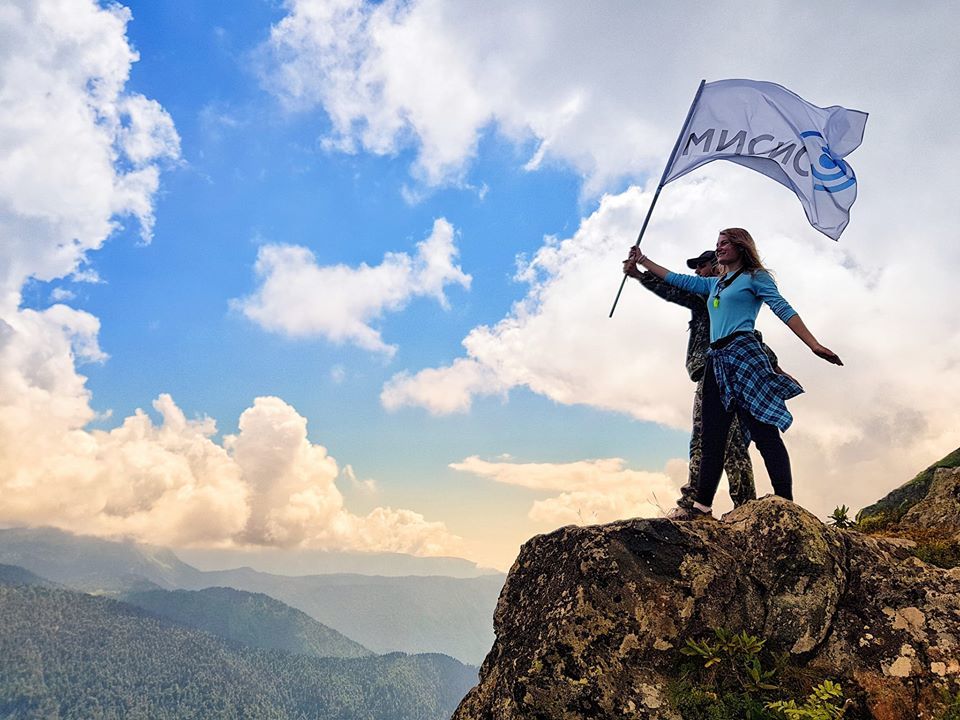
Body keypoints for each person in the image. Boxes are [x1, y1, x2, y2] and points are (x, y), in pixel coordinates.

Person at [625, 228, 842, 520]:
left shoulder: (754, 278)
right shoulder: (714, 284)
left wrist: (813, 345)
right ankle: (701, 507)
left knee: (764, 433)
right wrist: (643, 261)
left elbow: (782, 307)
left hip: (743, 355)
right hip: (716, 360)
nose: (719, 248)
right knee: (712, 437)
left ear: (741, 246)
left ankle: (786, 503)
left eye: (725, 243)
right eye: (717, 244)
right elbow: (676, 279)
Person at [624, 249, 782, 514]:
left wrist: (641, 275)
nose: (697, 271)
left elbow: (675, 289)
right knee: (714, 442)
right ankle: (714, 504)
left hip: (728, 374)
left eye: (701, 265)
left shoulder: (714, 292)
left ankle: (732, 506)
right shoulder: (716, 293)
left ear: (716, 266)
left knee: (726, 442)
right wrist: (640, 275)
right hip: (712, 375)